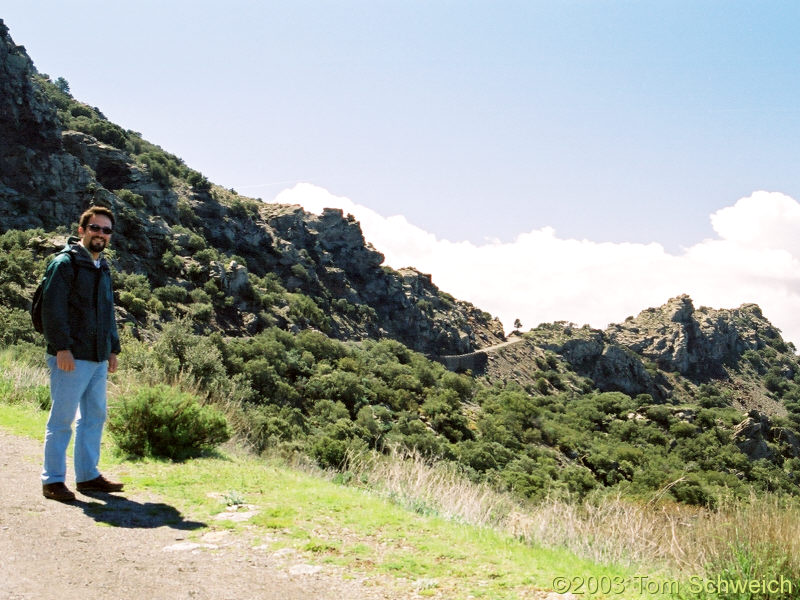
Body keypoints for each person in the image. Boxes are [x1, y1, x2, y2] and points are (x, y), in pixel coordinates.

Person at [40, 205, 124, 501]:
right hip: (71, 357)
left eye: (106, 230)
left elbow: (107, 312)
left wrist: (112, 348)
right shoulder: (65, 264)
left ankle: (88, 477)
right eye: (95, 228)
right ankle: (52, 480)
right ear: (82, 230)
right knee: (62, 419)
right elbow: (53, 309)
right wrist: (61, 347)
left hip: (98, 356)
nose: (100, 234)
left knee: (94, 416)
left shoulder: (102, 267)